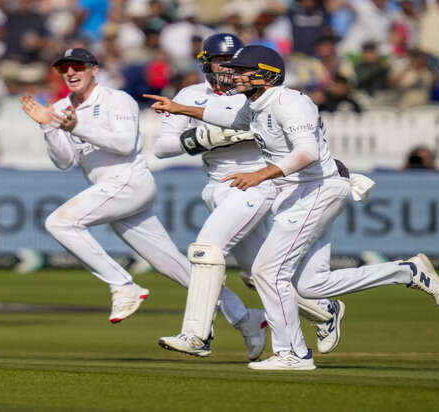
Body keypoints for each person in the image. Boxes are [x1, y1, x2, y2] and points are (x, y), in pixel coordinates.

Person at [145, 45, 439, 370]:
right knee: (310, 285)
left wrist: (259, 174)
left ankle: (294, 354)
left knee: (266, 272)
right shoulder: (257, 104)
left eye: (244, 70)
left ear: (266, 74)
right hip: (301, 192)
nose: (235, 75)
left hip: (314, 190)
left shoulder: (290, 102)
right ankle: (407, 270)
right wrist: (178, 108)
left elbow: (306, 154)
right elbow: (227, 119)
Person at [20, 48, 265, 357]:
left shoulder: (115, 99)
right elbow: (64, 160)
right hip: (110, 190)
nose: (70, 72)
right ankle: (247, 319)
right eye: (64, 68)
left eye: (77, 66)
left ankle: (123, 285)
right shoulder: (60, 107)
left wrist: (75, 126)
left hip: (130, 182)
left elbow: (123, 145)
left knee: (60, 222)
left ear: (93, 69)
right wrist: (48, 125)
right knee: (176, 269)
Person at [152, 34, 344, 359]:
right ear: (206, 63)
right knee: (260, 273)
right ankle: (323, 310)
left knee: (207, 249)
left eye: (235, 63)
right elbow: (163, 148)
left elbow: (292, 141)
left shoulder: (260, 95)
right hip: (218, 186)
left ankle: (198, 334)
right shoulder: (193, 94)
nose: (227, 69)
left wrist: (234, 140)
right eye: (220, 61)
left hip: (259, 182)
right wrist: (212, 136)